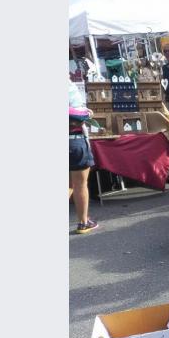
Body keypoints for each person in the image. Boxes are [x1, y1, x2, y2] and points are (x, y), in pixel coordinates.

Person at [69, 81, 99, 234]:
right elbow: (76, 114)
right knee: (80, 184)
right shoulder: (69, 86)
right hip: (74, 140)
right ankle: (83, 222)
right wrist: (87, 113)